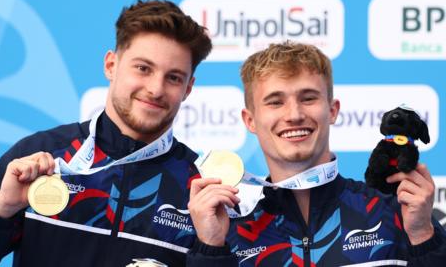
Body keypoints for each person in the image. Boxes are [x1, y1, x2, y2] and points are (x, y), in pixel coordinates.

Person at [0, 0, 212, 266]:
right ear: (111, 65)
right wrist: (2, 208)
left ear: (188, 88)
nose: (155, 89)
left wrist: (213, 252)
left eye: (174, 77)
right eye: (143, 68)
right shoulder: (40, 153)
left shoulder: (198, 184)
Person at [186, 41, 446, 266]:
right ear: (250, 120)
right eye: (275, 102)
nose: (294, 115)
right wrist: (210, 248)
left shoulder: (392, 211)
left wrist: (424, 235)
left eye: (308, 98)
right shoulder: (227, 228)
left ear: (332, 110)